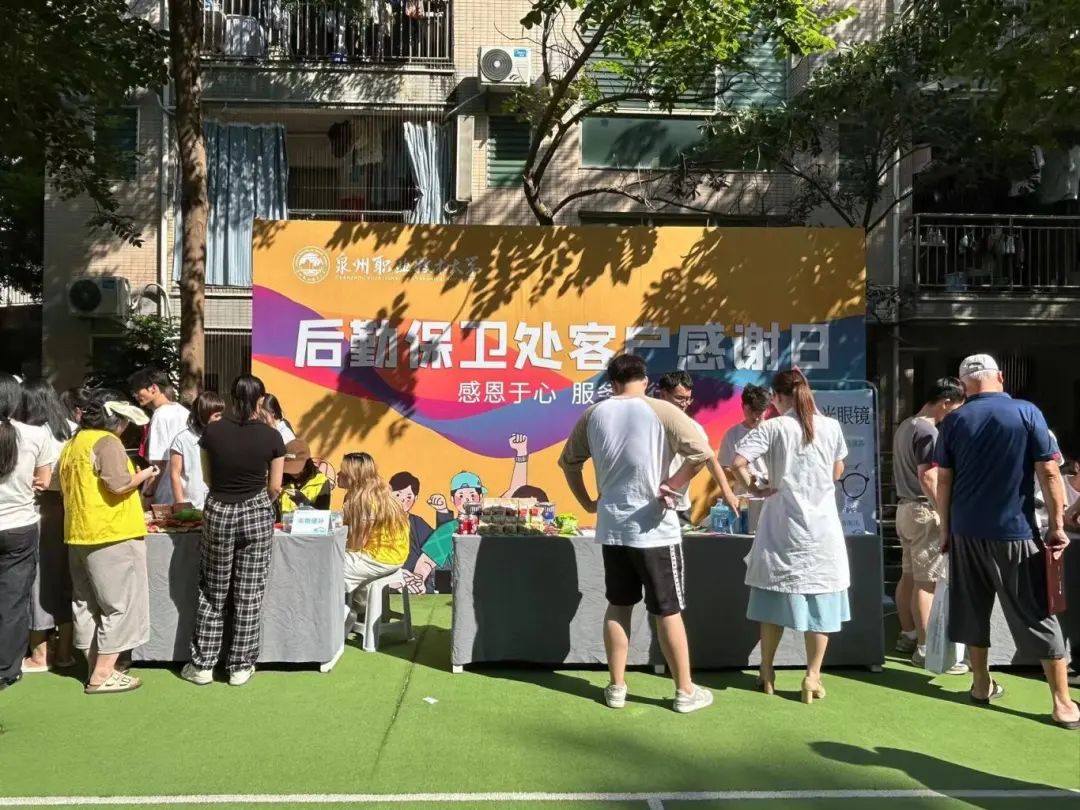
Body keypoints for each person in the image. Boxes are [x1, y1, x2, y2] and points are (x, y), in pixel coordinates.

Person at [559, 354, 716, 714]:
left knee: (618, 605)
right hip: (655, 530)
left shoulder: (594, 414)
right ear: (645, 380)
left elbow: (568, 462)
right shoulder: (662, 410)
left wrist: (587, 502)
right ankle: (685, 691)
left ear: (612, 383)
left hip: (613, 527)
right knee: (668, 611)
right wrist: (673, 484)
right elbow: (702, 452)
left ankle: (616, 686)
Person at [935, 354, 1079, 730]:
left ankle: (981, 684)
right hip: (1015, 531)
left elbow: (944, 478)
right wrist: (1057, 525)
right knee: (1038, 613)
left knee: (972, 609)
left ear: (964, 385)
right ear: (999, 376)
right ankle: (1063, 703)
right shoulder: (1027, 412)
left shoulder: (953, 421)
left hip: (965, 531)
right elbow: (1050, 472)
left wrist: (945, 528)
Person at [732, 368, 849, 704]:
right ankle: (812, 675)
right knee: (822, 604)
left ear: (777, 397)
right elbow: (838, 469)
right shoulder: (830, 426)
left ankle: (767, 670)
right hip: (822, 530)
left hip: (782, 527)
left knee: (773, 600)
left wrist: (756, 487)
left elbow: (738, 463)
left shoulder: (773, 427)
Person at [182, 374, 285, 688]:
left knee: (213, 590)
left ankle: (203, 665)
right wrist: (258, 503)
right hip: (256, 512)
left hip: (219, 511)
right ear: (260, 399)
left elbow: (208, 478)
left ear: (231, 397)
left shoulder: (212, 431)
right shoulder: (272, 436)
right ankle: (240, 666)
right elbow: (275, 486)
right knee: (248, 593)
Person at [57, 390, 155, 695]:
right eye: (124, 421)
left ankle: (94, 666)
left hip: (78, 533)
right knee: (120, 605)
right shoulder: (107, 442)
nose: (125, 427)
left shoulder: (73, 442)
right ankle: (102, 674)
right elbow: (118, 484)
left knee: (86, 604)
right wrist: (145, 475)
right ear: (116, 420)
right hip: (112, 534)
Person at [891, 377, 967, 672]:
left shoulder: (906, 426)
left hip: (904, 509)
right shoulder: (928, 430)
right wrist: (944, 514)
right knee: (927, 583)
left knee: (909, 576)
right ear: (946, 402)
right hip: (923, 511)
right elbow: (928, 477)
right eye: (956, 408)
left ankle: (908, 635)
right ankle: (926, 649)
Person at [0, 374, 59, 691]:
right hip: (20, 525)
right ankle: (7, 669)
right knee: (13, 600)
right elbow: (44, 481)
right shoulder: (36, 434)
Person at [18, 379, 78, 674]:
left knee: (38, 580)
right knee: (64, 580)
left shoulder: (28, 433)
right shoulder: (71, 430)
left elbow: (35, 479)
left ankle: (39, 653)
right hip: (69, 511)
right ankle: (65, 652)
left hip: (38, 509)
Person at [653, 371, 739, 522]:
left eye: (688, 399)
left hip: (679, 506)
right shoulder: (647, 423)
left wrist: (727, 493)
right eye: (679, 398)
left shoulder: (694, 428)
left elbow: (709, 459)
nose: (684, 404)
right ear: (663, 395)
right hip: (649, 501)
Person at [339, 453, 410, 616]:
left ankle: (343, 617)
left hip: (380, 557)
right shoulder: (379, 491)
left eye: (343, 471)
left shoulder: (363, 500)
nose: (338, 474)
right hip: (395, 554)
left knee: (330, 568)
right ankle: (359, 610)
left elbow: (358, 542)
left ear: (353, 476)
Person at [129, 368, 190, 506]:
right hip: (186, 490)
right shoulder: (184, 412)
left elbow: (158, 464)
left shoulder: (160, 416)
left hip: (165, 493)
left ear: (153, 388)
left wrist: (148, 493)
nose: (135, 395)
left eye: (137, 390)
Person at [168, 391, 225, 510]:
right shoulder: (182, 439)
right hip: (192, 505)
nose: (220, 419)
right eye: (216, 416)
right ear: (204, 415)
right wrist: (180, 504)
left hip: (217, 504)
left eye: (221, 415)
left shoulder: (222, 437)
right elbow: (175, 474)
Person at [720, 385, 771, 493]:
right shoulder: (732, 434)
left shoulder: (774, 431)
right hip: (744, 496)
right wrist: (744, 477)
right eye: (751, 411)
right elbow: (724, 467)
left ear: (766, 410)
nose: (756, 417)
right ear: (743, 406)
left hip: (771, 495)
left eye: (760, 412)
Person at [389, 471, 434, 594]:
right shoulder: (378, 522)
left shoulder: (417, 523)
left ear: (416, 498)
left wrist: (418, 577)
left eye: (409, 497)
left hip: (415, 583)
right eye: (398, 495)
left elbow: (435, 550)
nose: (403, 500)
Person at [279, 439, 332, 515]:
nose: (293, 473)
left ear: (307, 463)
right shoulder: (281, 479)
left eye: (296, 468)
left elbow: (323, 516)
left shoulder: (321, 481)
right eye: (289, 469)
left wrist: (303, 501)